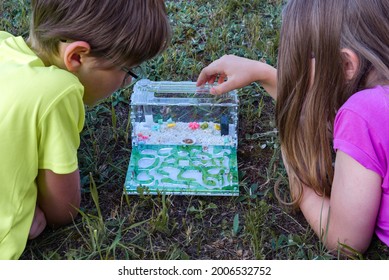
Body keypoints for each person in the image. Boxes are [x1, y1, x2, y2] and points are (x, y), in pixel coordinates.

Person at [197, 0, 389, 255]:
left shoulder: (361, 115)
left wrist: (299, 178)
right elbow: (325, 109)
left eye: (300, 66)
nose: (295, 76)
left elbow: (345, 240)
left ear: (346, 65)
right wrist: (263, 73)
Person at [0, 0, 171, 259]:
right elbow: (64, 209)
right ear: (77, 57)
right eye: (127, 70)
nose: (126, 79)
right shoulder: (58, 91)